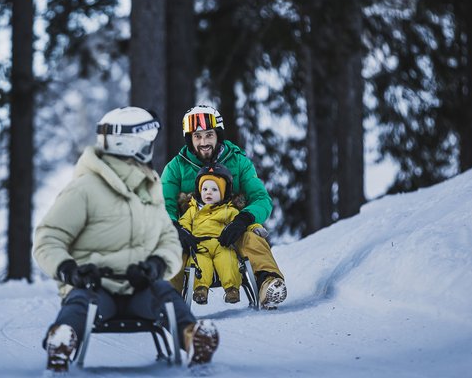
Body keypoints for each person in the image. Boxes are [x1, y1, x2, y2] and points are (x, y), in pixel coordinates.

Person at [33, 106, 219, 373]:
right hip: (95, 285)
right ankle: (62, 340)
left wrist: (156, 265)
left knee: (165, 294)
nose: (150, 147)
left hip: (139, 285)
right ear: (130, 143)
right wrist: (70, 271)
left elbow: (168, 238)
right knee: (82, 302)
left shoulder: (149, 186)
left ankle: (193, 338)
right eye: (147, 141)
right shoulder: (85, 188)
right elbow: (48, 237)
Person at [162, 104, 288, 310]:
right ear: (190, 139)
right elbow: (163, 204)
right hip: (192, 231)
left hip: (231, 227)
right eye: (197, 136)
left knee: (252, 237)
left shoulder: (238, 162)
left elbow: (261, 198)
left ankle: (268, 282)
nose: (203, 142)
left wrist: (244, 219)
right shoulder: (176, 168)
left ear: (217, 136)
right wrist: (175, 228)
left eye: (209, 135)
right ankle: (167, 298)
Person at [179, 163, 254, 305]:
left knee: (228, 260)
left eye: (214, 189)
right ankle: (201, 289)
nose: (208, 192)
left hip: (222, 244)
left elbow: (241, 224)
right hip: (199, 245)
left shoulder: (229, 210)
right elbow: (184, 223)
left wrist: (254, 227)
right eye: (205, 189)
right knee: (199, 263)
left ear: (223, 193)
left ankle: (232, 289)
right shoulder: (193, 210)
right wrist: (184, 233)